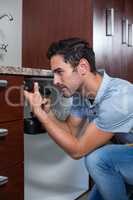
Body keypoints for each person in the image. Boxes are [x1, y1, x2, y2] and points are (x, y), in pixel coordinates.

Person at [24, 38, 133, 200]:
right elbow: (70, 130)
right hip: (128, 152)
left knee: (97, 158)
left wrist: (41, 117)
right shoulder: (82, 94)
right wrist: (48, 113)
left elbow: (77, 150)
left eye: (59, 72)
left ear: (82, 67)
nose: (55, 81)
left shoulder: (118, 97)